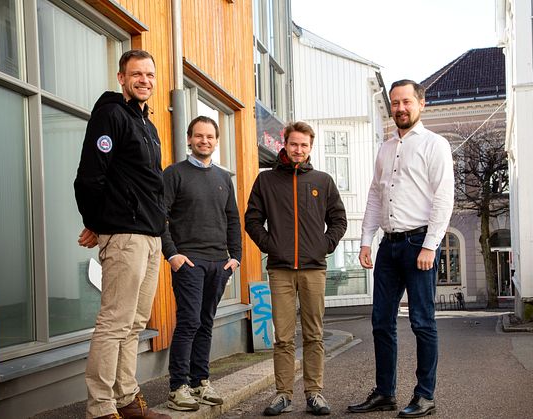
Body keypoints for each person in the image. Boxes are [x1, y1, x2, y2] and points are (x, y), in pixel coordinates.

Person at [347, 80, 453, 418]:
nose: (400, 108)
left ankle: (425, 395)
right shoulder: (384, 148)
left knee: (422, 322)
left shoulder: (435, 144)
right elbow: (376, 196)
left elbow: (443, 198)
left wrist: (430, 246)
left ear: (421, 103)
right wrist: (366, 240)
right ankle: (385, 393)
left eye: (406, 101)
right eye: (395, 103)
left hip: (418, 245)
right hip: (388, 248)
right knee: (381, 322)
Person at [74, 49, 170, 419]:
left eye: (149, 74)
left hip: (150, 237)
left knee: (134, 324)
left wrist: (160, 228)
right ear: (121, 78)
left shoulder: (148, 124)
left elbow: (150, 184)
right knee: (114, 323)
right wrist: (97, 222)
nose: (144, 80)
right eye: (136, 74)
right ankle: (100, 408)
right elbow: (89, 176)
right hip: (125, 235)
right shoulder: (111, 114)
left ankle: (127, 399)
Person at [245, 121, 347, 416]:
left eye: (304, 145)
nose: (298, 149)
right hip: (280, 269)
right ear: (284, 144)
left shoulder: (322, 181)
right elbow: (252, 219)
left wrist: (324, 245)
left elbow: (339, 220)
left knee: (314, 334)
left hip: (314, 268)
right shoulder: (266, 181)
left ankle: (314, 393)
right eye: (293, 144)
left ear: (310, 148)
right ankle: (283, 394)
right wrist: (270, 245)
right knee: (283, 337)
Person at [162, 116, 242, 411]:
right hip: (189, 262)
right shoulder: (174, 174)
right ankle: (178, 387)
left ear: (216, 141)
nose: (204, 141)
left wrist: (235, 257)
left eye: (209, 137)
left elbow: (232, 218)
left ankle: (199, 382)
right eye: (199, 136)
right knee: (189, 321)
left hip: (219, 263)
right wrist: (172, 254)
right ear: (189, 139)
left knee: (206, 322)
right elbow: (161, 217)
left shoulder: (223, 178)